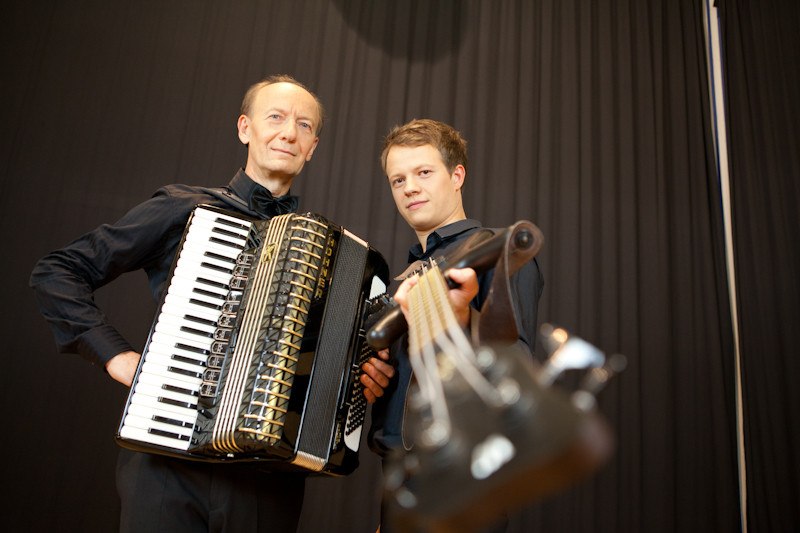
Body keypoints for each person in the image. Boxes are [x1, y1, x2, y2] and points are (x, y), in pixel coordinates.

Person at [30, 75, 394, 532]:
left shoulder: (331, 257)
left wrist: (362, 378)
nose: (288, 132)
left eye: (303, 125)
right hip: (168, 463)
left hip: (266, 481)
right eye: (275, 118)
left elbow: (330, 368)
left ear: (312, 146)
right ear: (245, 128)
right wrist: (115, 356)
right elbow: (57, 271)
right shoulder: (184, 207)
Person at [368, 118, 544, 531]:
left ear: (457, 175)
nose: (409, 187)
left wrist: (459, 321)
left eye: (423, 172)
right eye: (398, 179)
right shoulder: (401, 277)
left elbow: (515, 369)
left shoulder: (497, 250)